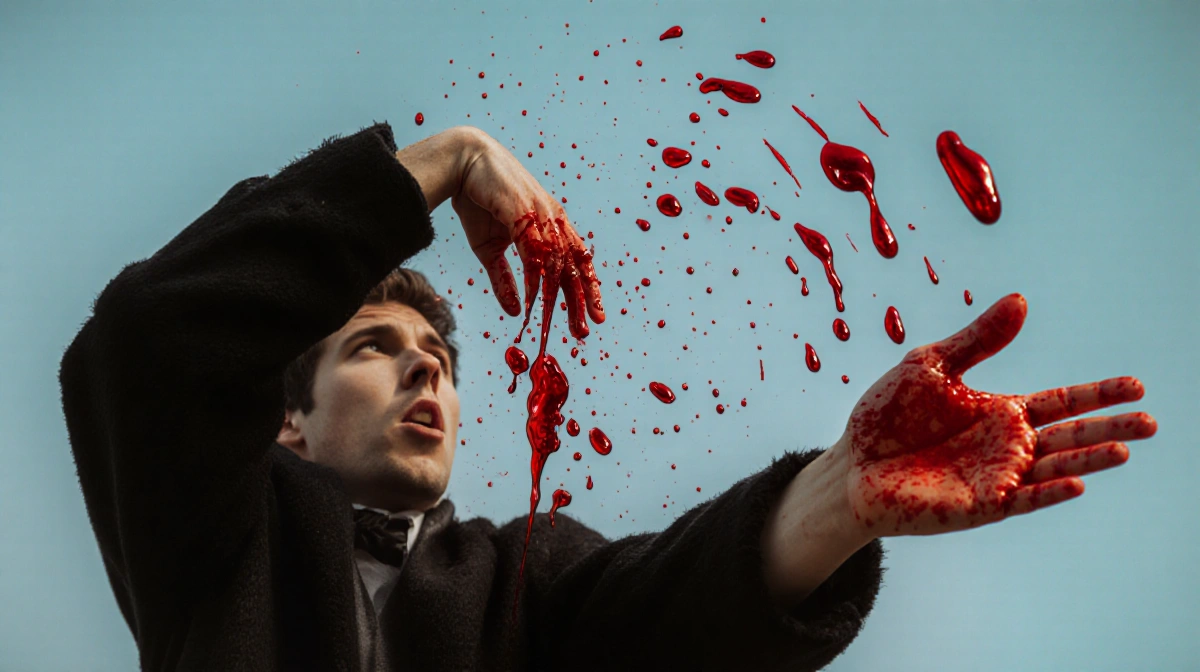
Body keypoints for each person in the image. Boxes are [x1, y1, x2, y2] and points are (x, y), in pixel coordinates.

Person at [58, 122, 1157, 672]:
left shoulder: (522, 578)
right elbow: (149, 347)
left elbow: (669, 618)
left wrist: (841, 496)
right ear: (285, 417)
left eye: (437, 355)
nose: (426, 366)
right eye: (372, 348)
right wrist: (441, 164)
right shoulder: (219, 545)